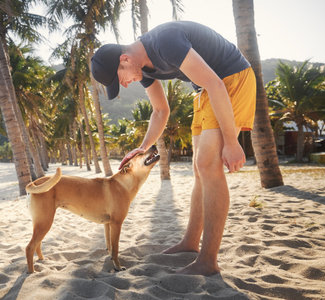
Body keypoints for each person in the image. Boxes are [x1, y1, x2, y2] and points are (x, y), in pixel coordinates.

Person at [90, 21, 256, 276]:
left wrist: (232, 143)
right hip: (207, 89)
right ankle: (191, 242)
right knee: (198, 169)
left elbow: (216, 83)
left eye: (119, 78)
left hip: (229, 80)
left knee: (208, 166)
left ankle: (208, 261)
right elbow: (160, 110)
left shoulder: (165, 42)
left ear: (125, 59)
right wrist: (143, 147)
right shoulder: (142, 68)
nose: (124, 85)